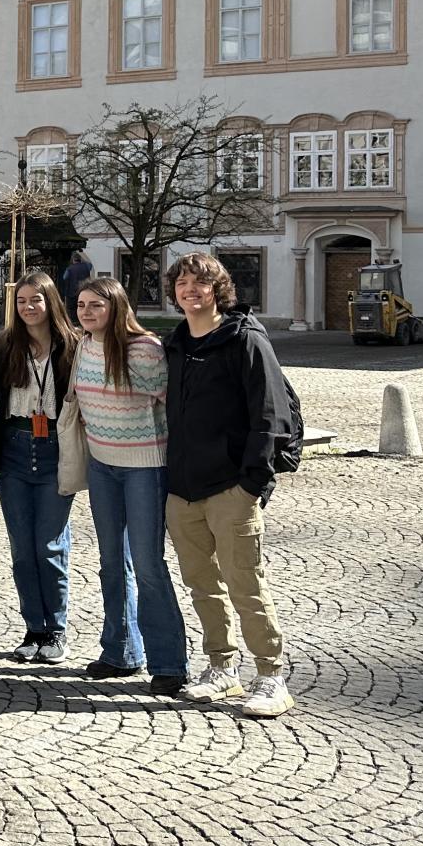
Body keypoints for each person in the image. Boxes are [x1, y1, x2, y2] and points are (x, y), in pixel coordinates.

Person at [163, 252, 296, 718]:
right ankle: (221, 668)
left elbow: (270, 415)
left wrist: (252, 483)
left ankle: (271, 674)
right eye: (182, 283)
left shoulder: (246, 341)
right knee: (202, 585)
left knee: (245, 583)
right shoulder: (176, 344)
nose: (190, 290)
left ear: (218, 289)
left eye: (200, 283)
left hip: (230, 488)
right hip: (182, 489)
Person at [73, 277, 189, 695]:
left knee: (148, 564)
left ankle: (169, 661)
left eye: (96, 306)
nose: (87, 312)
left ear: (116, 307)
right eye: (82, 305)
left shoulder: (144, 349)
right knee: (110, 562)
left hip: (144, 467)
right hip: (103, 466)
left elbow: (171, 402)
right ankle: (120, 652)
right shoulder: (84, 345)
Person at [0, 271, 78, 665]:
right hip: (15, 450)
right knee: (23, 550)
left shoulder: (71, 346)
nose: (27, 307)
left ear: (50, 303)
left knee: (50, 546)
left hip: (55, 446)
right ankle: (33, 629)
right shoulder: (5, 345)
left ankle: (56, 629)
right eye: (21, 301)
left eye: (35, 300)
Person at [59, 250, 94, 315]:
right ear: (80, 259)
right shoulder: (87, 265)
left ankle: (74, 321)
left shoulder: (69, 268)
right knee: (83, 305)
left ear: (73, 260)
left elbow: (64, 277)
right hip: (84, 289)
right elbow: (90, 265)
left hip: (72, 291)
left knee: (72, 308)